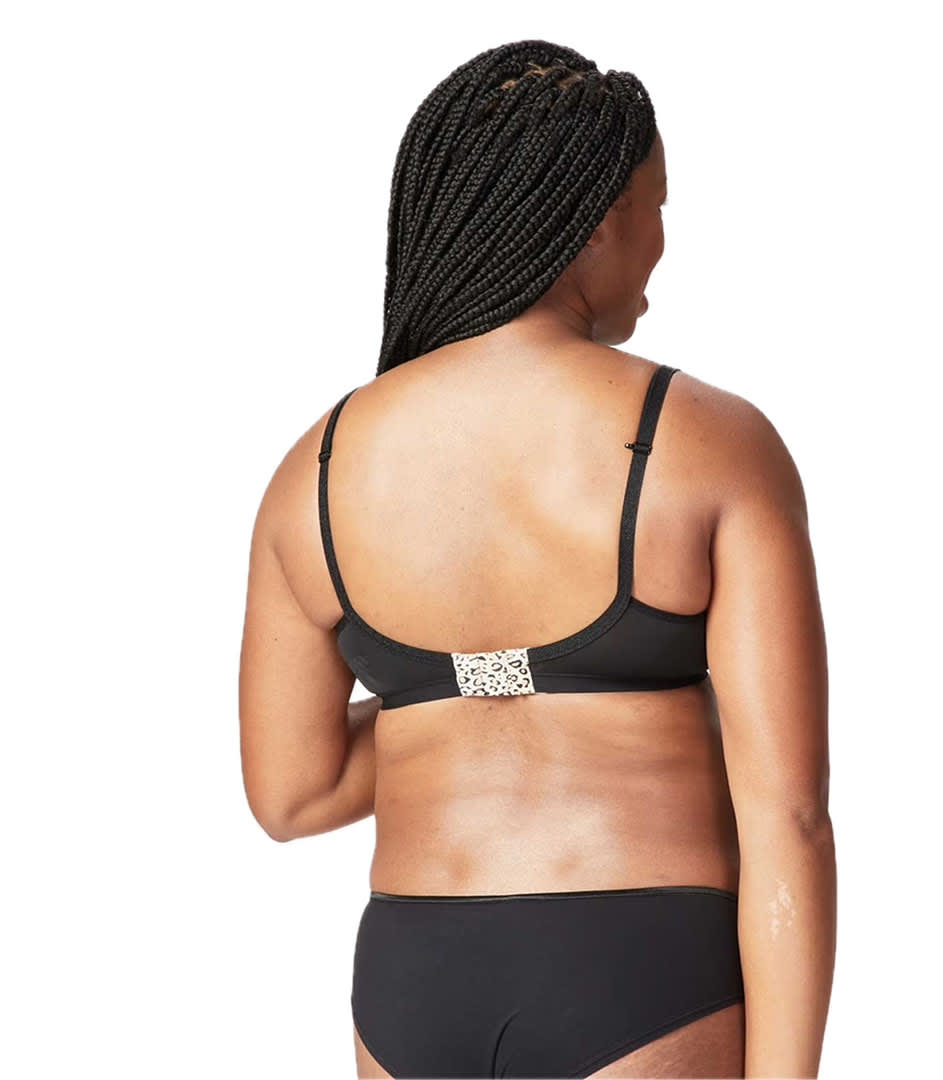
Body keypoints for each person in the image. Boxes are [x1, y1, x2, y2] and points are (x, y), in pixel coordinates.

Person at [239, 39, 836, 1080]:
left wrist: (466, 691)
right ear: (598, 219)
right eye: (657, 205)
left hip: (411, 982)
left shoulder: (316, 468)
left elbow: (293, 793)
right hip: (638, 971)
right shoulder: (706, 441)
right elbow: (788, 815)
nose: (662, 241)